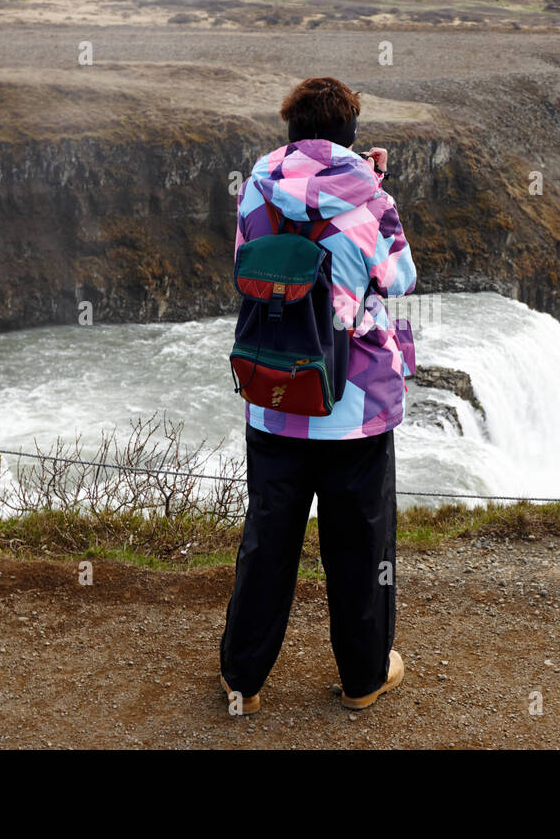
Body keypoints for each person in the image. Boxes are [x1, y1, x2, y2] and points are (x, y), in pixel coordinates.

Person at [219, 77, 417, 714]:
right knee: (358, 547)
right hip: (352, 408)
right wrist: (371, 183)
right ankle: (363, 679)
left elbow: (248, 261)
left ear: (291, 131)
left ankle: (243, 683)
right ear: (351, 136)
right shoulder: (370, 201)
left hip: (275, 392)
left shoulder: (257, 186)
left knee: (268, 541)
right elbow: (400, 278)